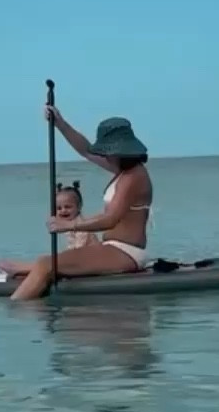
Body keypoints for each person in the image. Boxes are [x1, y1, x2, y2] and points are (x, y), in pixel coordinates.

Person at [8, 109, 153, 301]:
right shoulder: (123, 171)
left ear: (120, 150)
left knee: (45, 265)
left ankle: (13, 314)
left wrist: (69, 225)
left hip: (125, 252)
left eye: (108, 151)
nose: (105, 155)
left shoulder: (134, 177)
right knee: (46, 263)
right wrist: (60, 124)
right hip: (112, 248)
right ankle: (31, 271)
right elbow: (86, 150)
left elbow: (110, 220)